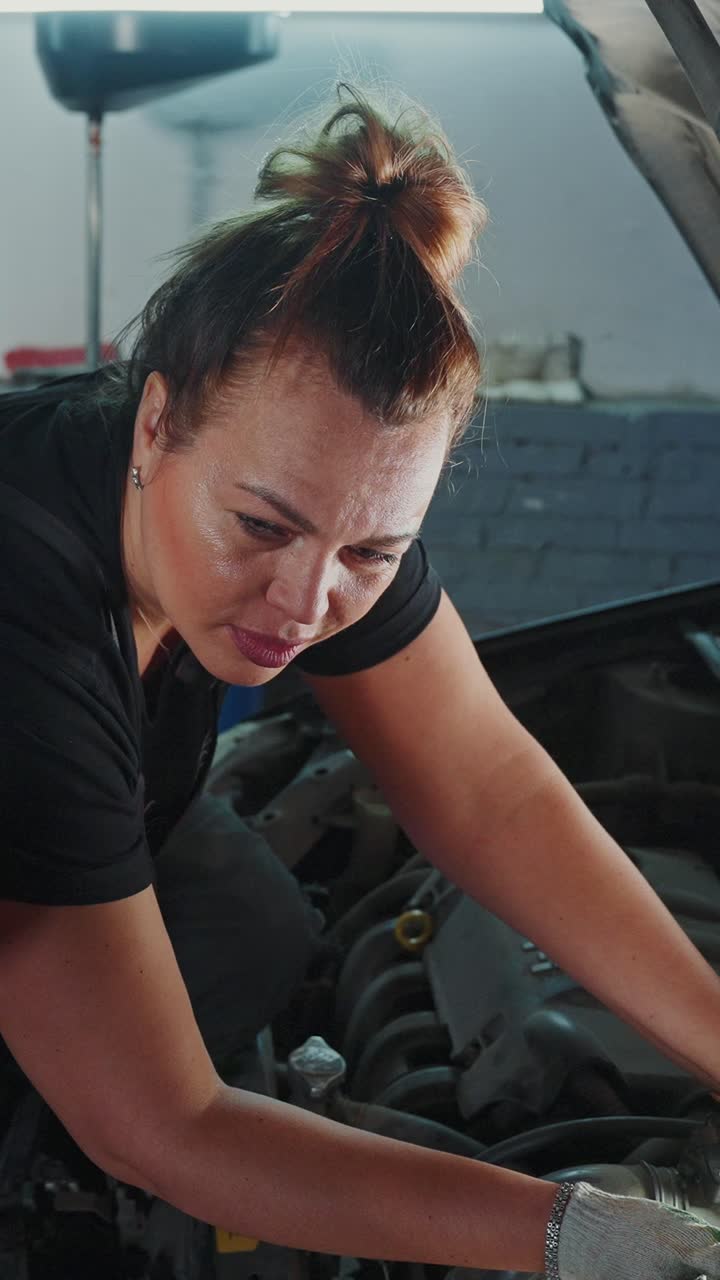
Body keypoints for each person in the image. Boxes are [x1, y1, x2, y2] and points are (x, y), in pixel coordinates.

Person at [1, 83, 720, 1279]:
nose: (308, 600)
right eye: (262, 527)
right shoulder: (28, 636)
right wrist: (563, 1228)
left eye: (372, 553)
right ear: (155, 422)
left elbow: (487, 784)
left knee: (249, 922)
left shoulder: (308, 495)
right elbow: (167, 1119)